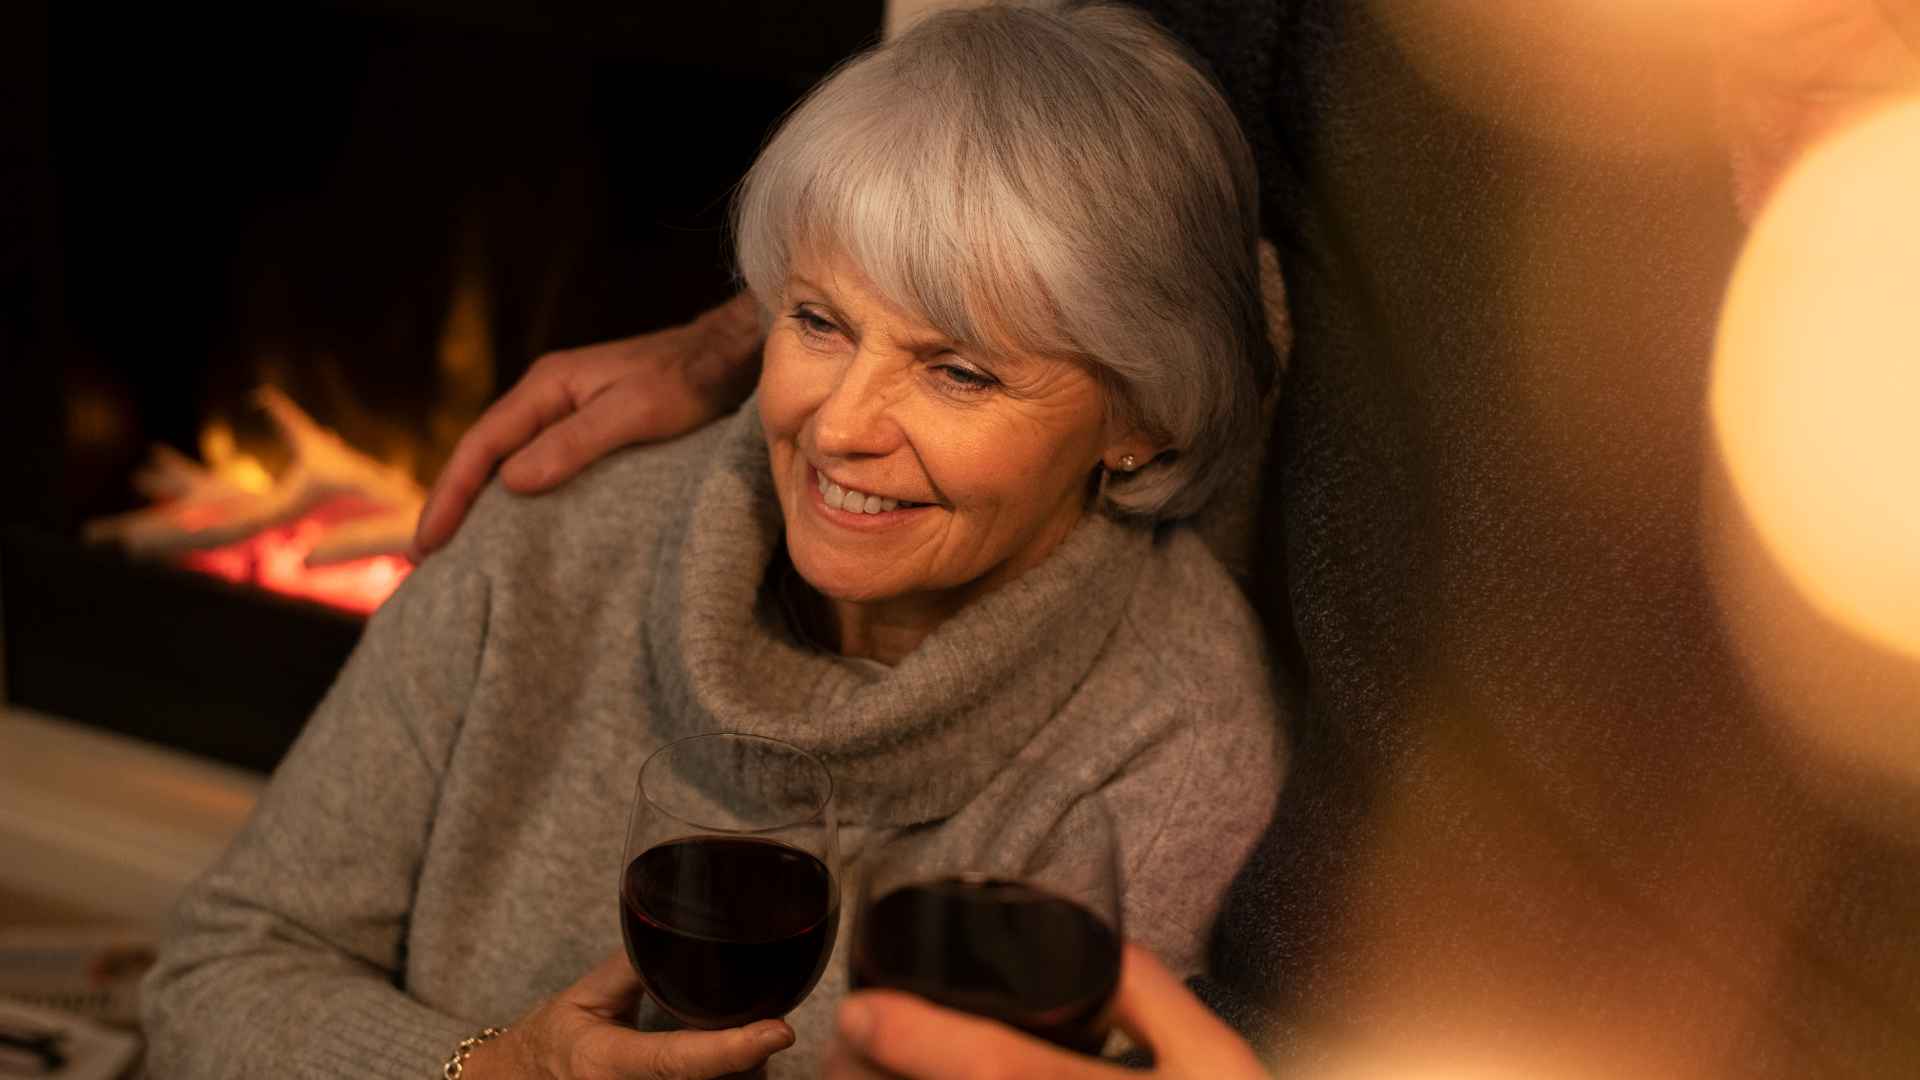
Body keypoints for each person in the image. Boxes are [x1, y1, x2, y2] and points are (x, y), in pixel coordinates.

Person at [414, 0, 1920, 1077]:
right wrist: (748, 334)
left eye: (955, 372)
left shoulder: (1167, 728)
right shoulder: (1458, 48)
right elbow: (1084, 133)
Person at [140, 5, 1285, 1079]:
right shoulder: (566, 530)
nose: (838, 427)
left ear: (1139, 421)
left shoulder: (1175, 735)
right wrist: (489, 1068)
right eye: (820, 321)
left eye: (959, 371)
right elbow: (212, 979)